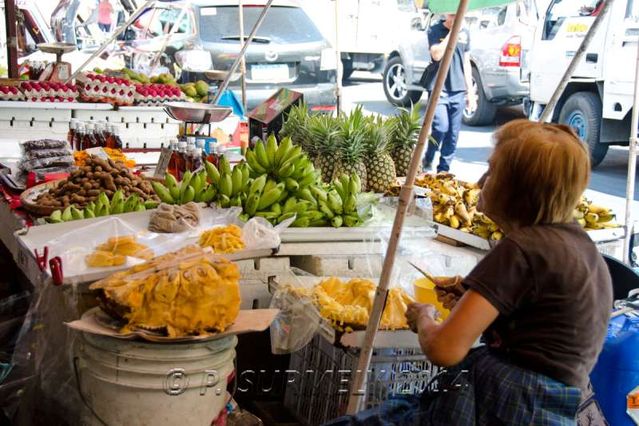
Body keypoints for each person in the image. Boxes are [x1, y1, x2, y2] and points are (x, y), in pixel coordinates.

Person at [325, 120, 612, 425]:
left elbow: (444, 349)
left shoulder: (521, 249)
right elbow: (544, 329)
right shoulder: (583, 249)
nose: (478, 182)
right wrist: (471, 299)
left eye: (492, 171)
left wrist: (423, 318)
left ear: (517, 189)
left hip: (508, 405)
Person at [422, 14, 476, 173]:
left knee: (453, 134)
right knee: (440, 127)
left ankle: (443, 170)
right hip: (439, 89)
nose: (455, 18)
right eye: (452, 15)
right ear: (446, 14)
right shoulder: (435, 30)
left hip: (458, 89)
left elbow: (466, 62)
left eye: (458, 15)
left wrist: (470, 93)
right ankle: (429, 157)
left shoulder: (465, 33)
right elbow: (436, 54)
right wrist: (452, 33)